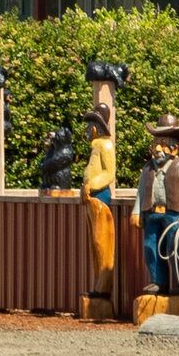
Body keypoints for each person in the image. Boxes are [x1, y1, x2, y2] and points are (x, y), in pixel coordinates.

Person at [138, 122, 179, 301]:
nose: (157, 149)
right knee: (150, 247)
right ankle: (158, 281)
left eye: (162, 144)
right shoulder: (148, 169)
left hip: (174, 213)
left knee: (178, 247)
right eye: (155, 143)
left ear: (174, 148)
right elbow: (141, 192)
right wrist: (137, 212)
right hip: (152, 212)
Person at [74, 107, 119, 292]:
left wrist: (91, 185)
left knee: (101, 242)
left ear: (95, 128)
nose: (86, 131)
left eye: (89, 126)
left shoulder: (106, 145)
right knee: (94, 243)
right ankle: (98, 284)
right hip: (91, 198)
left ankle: (103, 285)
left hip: (100, 197)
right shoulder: (96, 146)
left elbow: (110, 174)